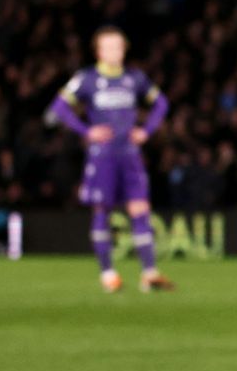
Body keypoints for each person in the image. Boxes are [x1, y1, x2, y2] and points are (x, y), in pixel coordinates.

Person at [49, 27, 175, 293]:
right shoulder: (87, 78)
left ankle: (149, 273)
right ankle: (108, 274)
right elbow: (59, 106)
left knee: (140, 208)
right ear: (98, 51)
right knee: (101, 210)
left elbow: (161, 103)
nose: (114, 51)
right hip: (103, 155)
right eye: (108, 47)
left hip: (129, 153)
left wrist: (146, 131)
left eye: (118, 46)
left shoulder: (135, 78)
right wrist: (86, 131)